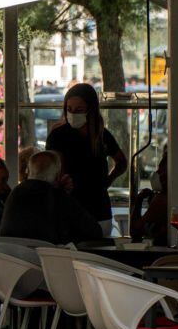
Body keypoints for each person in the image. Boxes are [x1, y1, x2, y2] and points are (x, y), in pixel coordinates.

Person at [45, 83, 127, 235]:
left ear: (91, 110)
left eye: (79, 110)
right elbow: (54, 168)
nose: (73, 114)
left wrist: (107, 181)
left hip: (99, 208)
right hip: (70, 207)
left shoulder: (101, 134)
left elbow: (122, 162)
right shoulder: (59, 135)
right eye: (69, 109)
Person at [0, 151, 102, 245]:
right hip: (45, 262)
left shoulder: (15, 193)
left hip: (9, 260)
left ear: (29, 172)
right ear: (58, 175)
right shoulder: (58, 196)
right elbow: (95, 231)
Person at [129, 153, 178, 247]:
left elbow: (135, 231)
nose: (157, 173)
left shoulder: (163, 198)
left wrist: (139, 200)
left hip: (169, 256)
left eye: (161, 169)